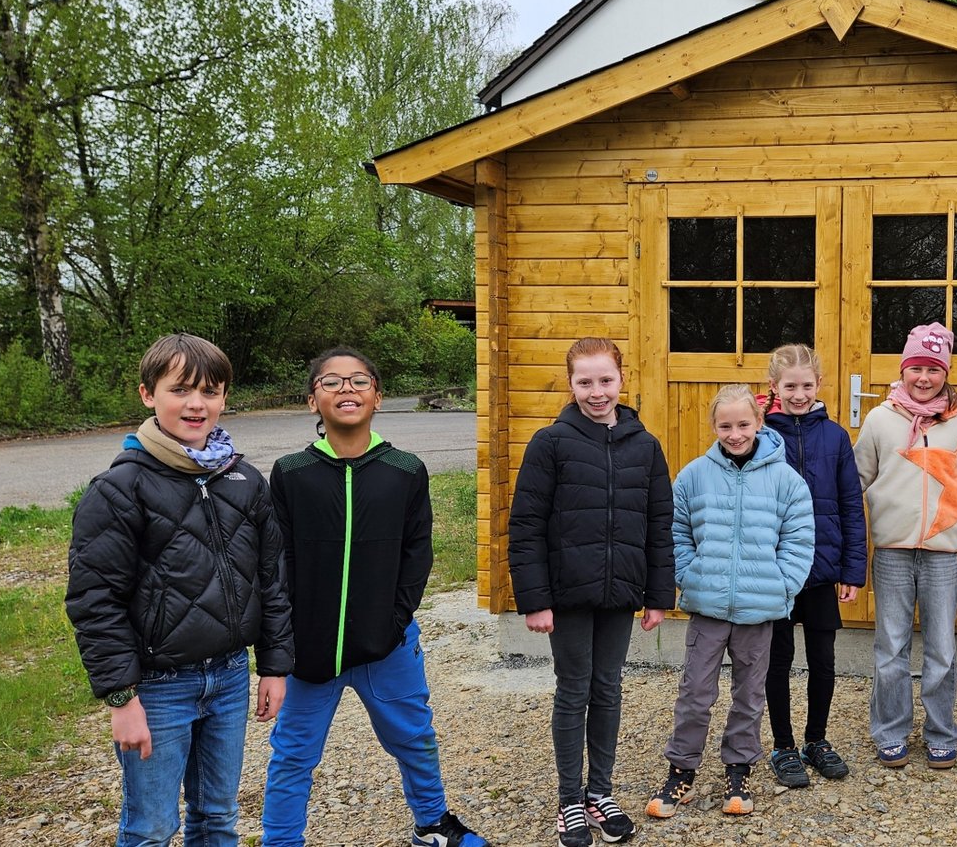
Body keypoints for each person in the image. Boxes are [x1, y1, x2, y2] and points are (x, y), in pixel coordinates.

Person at [66, 333, 294, 847]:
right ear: (148, 394)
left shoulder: (245, 479)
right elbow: (94, 601)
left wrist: (275, 666)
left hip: (230, 677)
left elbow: (271, 578)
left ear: (224, 399)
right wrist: (121, 698)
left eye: (210, 391)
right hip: (159, 687)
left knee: (218, 817)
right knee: (150, 828)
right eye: (181, 389)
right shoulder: (119, 489)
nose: (197, 404)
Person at [261, 347, 489, 847]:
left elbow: (416, 555)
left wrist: (392, 623)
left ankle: (431, 824)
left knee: (413, 738)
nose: (346, 389)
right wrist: (283, 641)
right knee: (294, 753)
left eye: (359, 380)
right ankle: (281, 840)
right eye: (332, 381)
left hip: (387, 644)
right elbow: (277, 563)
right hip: (310, 651)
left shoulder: (405, 470)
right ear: (312, 400)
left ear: (379, 398)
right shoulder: (291, 472)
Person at [509, 337, 675, 847]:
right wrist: (534, 599)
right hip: (568, 594)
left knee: (608, 689)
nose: (596, 391)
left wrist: (657, 594)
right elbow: (526, 525)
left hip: (621, 592)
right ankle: (569, 800)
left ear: (622, 380)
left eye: (605, 380)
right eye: (585, 381)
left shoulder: (644, 446)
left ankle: (600, 792)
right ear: (571, 384)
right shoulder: (550, 443)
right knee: (573, 690)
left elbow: (658, 523)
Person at [646, 384, 814, 819]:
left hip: (761, 609)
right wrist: (688, 575)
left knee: (749, 694)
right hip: (708, 607)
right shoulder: (694, 476)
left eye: (743, 424)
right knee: (695, 692)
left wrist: (782, 586)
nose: (735, 433)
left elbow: (798, 539)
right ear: (714, 426)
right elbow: (677, 532)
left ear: (759, 422)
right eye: (726, 425)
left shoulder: (786, 480)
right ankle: (680, 771)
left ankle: (738, 770)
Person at [853, 322, 957, 770]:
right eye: (916, 369)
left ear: (945, 372)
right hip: (891, 551)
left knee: (942, 649)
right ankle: (890, 730)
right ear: (902, 370)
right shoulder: (879, 420)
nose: (924, 378)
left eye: (933, 369)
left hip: (943, 554)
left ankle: (942, 731)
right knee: (891, 647)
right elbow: (858, 479)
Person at [758, 344, 867, 787]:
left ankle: (816, 740)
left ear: (819, 385)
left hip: (822, 570)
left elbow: (849, 505)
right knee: (777, 660)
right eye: (790, 386)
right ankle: (783, 745)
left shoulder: (836, 436)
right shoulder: (762, 434)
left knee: (823, 661)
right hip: (776, 571)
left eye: (806, 385)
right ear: (774, 388)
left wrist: (852, 570)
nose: (799, 394)